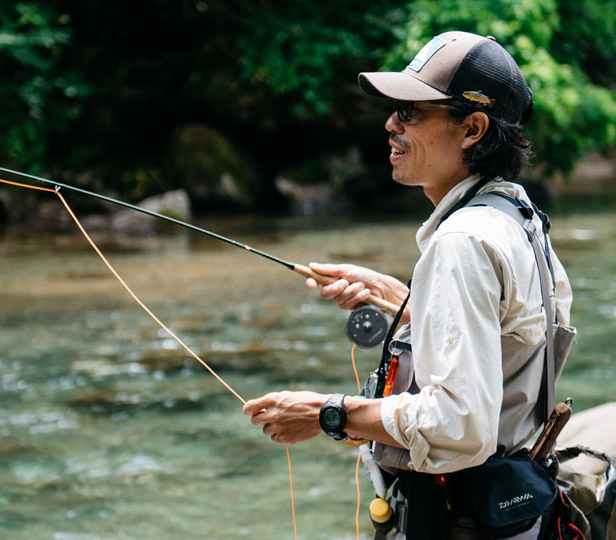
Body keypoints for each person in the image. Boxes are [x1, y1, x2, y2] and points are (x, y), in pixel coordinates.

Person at [242, 31, 573, 539]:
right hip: (517, 515)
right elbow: (512, 337)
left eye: (411, 111)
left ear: (472, 129)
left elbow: (460, 426)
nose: (390, 123)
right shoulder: (521, 217)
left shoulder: (463, 242)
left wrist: (329, 413)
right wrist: (400, 298)